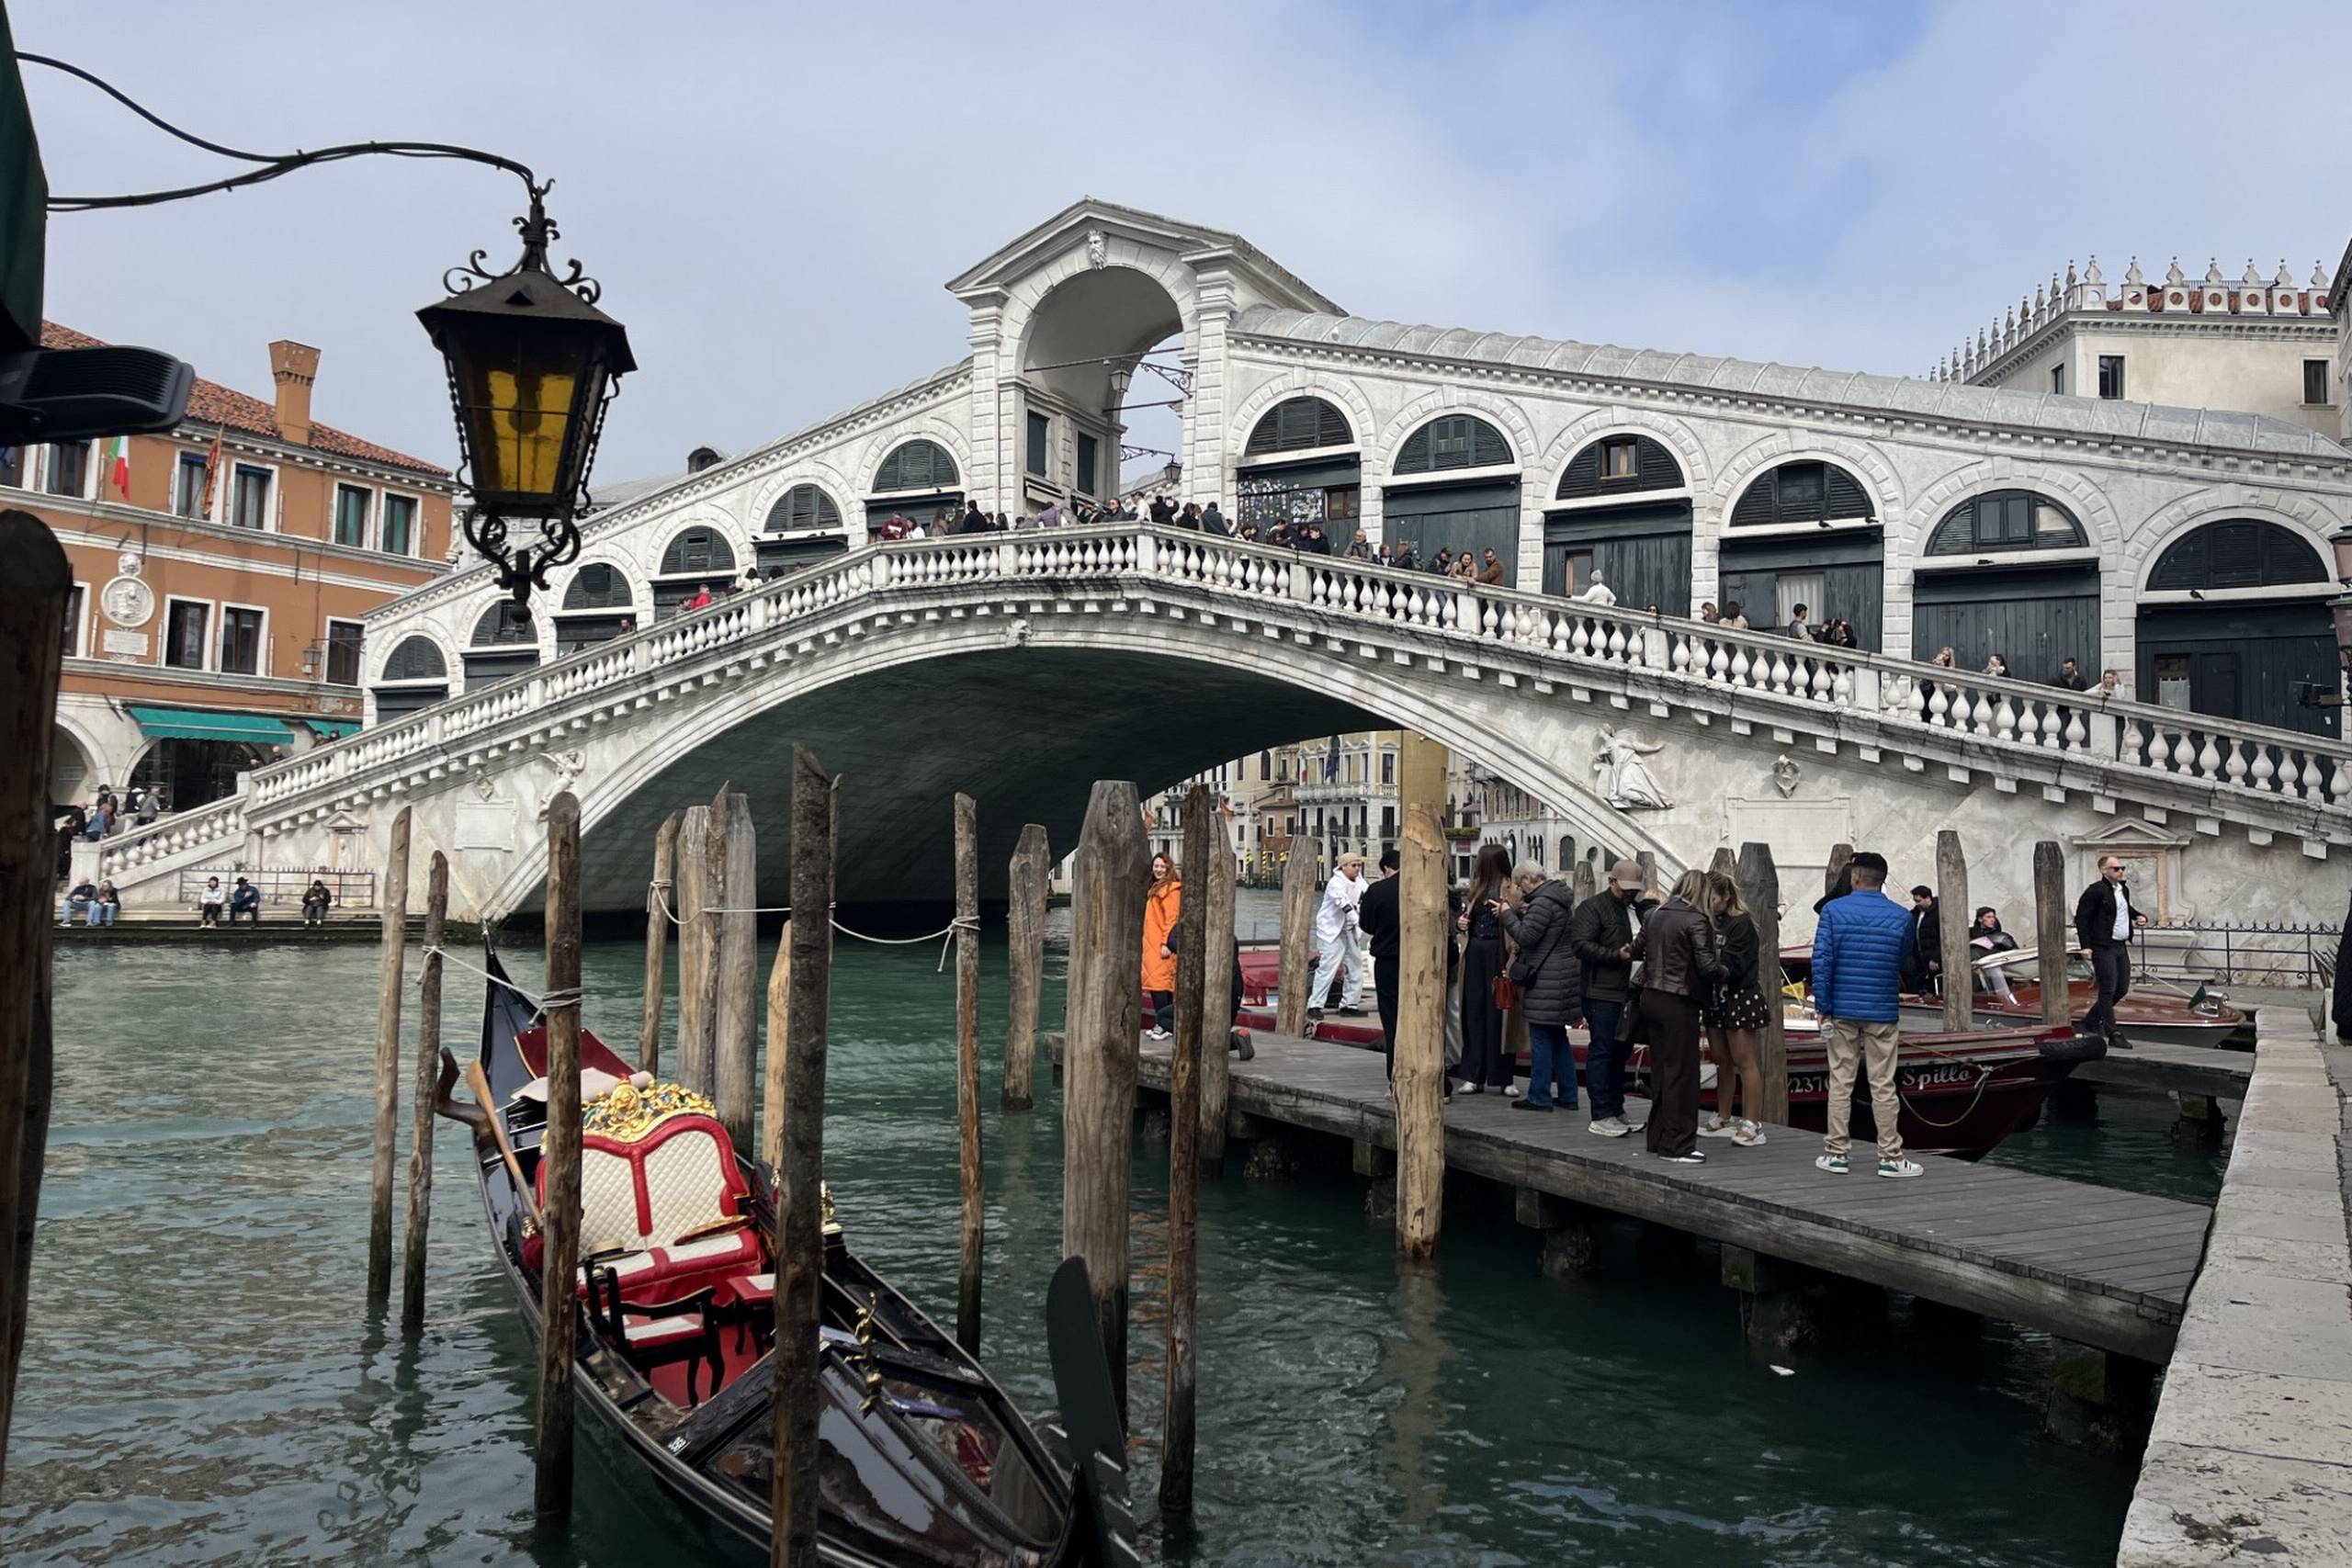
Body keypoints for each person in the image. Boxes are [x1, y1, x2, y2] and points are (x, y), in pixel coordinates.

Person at [1810, 851, 1924, 1179]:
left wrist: (1823, 1006)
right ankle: (1890, 1157)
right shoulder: (1902, 916)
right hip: (1881, 1009)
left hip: (1841, 1009)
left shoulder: (1832, 911)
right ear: (1882, 880)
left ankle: (1836, 1154)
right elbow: (1902, 960)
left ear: (1855, 877)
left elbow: (1822, 961)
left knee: (1840, 1081)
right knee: (1883, 1085)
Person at [1632, 869, 1722, 1162]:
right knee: (1682, 1074)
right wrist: (1728, 970)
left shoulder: (1655, 914)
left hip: (1651, 997)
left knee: (1662, 1071)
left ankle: (1658, 1138)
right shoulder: (1696, 919)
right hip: (1679, 1001)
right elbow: (1707, 966)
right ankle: (1677, 1145)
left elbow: (1636, 950)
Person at [1570, 857, 1656, 1136]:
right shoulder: (1592, 907)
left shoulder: (1637, 909)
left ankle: (1616, 1110)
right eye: (1625, 888)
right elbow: (1579, 945)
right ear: (1611, 881)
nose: (1630, 893)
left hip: (1629, 992)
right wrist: (1615, 956)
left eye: (1634, 889)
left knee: (1621, 1053)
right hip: (1602, 992)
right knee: (1603, 1050)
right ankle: (1601, 1114)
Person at [1496, 861, 1583, 1111]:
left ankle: (1539, 1096)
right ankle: (1568, 1094)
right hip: (1562, 977)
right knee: (1558, 1037)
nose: (1518, 889)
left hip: (1546, 981)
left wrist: (1507, 913)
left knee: (1541, 1037)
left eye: (1518, 883)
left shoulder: (1543, 903)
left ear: (1527, 879)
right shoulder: (1559, 898)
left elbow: (1526, 936)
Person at [1699, 871, 1768, 1145]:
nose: (1709, 904)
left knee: (1744, 1059)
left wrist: (1709, 968)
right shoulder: (1706, 921)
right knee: (1721, 1059)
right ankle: (1724, 1115)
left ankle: (1752, 1122)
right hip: (1715, 997)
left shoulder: (1741, 924)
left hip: (1739, 995)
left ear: (1726, 896)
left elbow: (1736, 964)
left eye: (1713, 899)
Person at [1455, 845, 1517, 1096]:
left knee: (1499, 1015)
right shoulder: (1476, 889)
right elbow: (1465, 924)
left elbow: (1521, 922)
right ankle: (1473, 1075)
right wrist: (1461, 924)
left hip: (1498, 953)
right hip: (1474, 952)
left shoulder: (1511, 889)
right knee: (1473, 1013)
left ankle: (1504, 1077)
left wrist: (1506, 913)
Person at [2075, 852, 2146, 1050]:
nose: (2120, 871)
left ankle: (2091, 1020)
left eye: (2122, 868)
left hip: (2120, 945)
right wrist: (2086, 945)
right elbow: (2082, 918)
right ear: (2103, 870)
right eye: (2116, 868)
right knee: (2108, 989)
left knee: (2121, 988)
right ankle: (2113, 1033)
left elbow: (2123, 908)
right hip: (2103, 946)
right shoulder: (2095, 891)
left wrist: (2137, 915)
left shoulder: (2123, 889)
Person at [1357, 849, 1403, 1076]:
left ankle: (1395, 1073)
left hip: (1388, 961)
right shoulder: (1424, 887)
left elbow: (1366, 925)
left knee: (1392, 1019)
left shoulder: (1377, 890)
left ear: (1386, 868)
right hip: (1422, 964)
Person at [1307, 852, 1366, 1021]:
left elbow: (1368, 895)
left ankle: (1350, 1004)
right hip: (1332, 932)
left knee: (1355, 968)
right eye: (1354, 865)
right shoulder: (1335, 883)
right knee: (1328, 968)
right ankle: (1315, 1005)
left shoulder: (1360, 882)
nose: (1357, 868)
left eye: (1359, 865)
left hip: (1350, 930)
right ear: (1344, 866)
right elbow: (1343, 903)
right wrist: (1356, 919)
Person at [1141, 854, 1182, 1041]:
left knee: (1160, 985)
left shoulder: (1170, 890)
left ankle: (1164, 1025)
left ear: (1168, 868)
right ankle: (1162, 1023)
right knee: (1157, 985)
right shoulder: (1157, 888)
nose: (1158, 869)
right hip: (1152, 943)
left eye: (1162, 866)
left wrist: (1167, 943)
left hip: (1160, 945)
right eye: (1156, 866)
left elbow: (1172, 918)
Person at [1969, 907, 2021, 1006]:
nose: (1992, 919)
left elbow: (2015, 954)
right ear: (1980, 919)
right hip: (1977, 974)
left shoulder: (2002, 936)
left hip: (1999, 974)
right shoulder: (1970, 934)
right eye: (1988, 917)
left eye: (1993, 917)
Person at [1903, 885, 1942, 995]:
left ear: (1928, 898)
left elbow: (1942, 938)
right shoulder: (1916, 913)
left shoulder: (1938, 914)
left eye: (1919, 901)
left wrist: (1936, 957)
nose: (1917, 904)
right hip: (1920, 957)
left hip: (1933, 957)